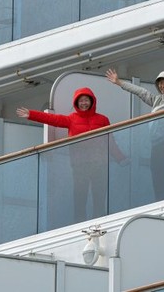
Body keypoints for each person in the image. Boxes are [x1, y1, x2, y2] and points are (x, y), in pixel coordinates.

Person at [17, 88, 124, 222]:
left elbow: (110, 142)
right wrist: (31, 114)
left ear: (92, 101)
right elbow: (52, 119)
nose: (83, 103)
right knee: (80, 196)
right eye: (80, 101)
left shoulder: (102, 119)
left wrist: (121, 158)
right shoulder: (71, 119)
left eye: (86, 100)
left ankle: (100, 223)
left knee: (99, 196)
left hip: (99, 164)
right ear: (76, 103)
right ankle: (80, 224)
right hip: (80, 165)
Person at [106, 68, 164, 200]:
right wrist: (119, 82)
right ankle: (160, 202)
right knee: (157, 175)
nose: (162, 86)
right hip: (157, 145)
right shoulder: (157, 100)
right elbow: (141, 92)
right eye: (160, 83)